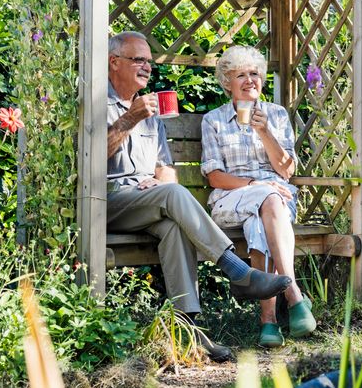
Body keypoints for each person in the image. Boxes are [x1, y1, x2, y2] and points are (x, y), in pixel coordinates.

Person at [105, 31, 293, 363]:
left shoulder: (150, 112)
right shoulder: (97, 104)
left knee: (174, 227)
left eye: (149, 61)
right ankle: (236, 270)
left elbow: (166, 169)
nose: (147, 67)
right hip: (107, 202)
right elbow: (91, 157)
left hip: (147, 203)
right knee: (173, 196)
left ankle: (188, 331)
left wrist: (159, 181)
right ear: (114, 62)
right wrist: (130, 117)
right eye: (138, 60)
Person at [200, 45, 317, 348]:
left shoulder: (276, 115)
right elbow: (215, 177)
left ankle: (269, 321)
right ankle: (294, 296)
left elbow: (287, 170)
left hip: (276, 201)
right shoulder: (213, 120)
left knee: (262, 219)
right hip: (232, 197)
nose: (250, 80)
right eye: (241, 75)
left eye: (254, 73)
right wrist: (256, 184)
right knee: (268, 197)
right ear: (227, 82)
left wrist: (265, 133)